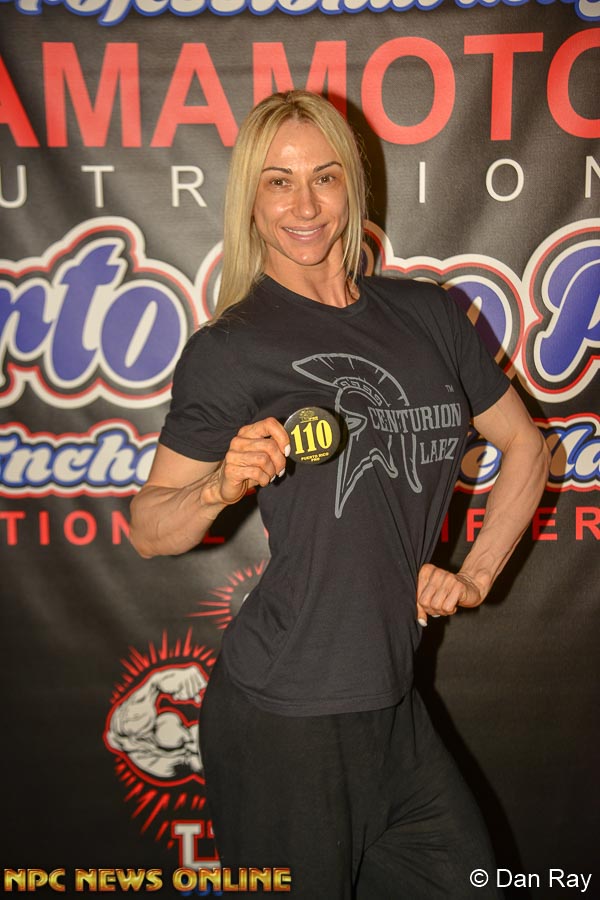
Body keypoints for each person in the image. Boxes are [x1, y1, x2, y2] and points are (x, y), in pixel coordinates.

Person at [129, 90, 550, 898]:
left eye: (324, 177)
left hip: (394, 707)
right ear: (251, 201)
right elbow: (150, 528)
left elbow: (526, 447)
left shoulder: (428, 314)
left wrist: (475, 575)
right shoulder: (232, 349)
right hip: (285, 715)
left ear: (352, 187)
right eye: (279, 181)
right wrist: (221, 482)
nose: (305, 205)